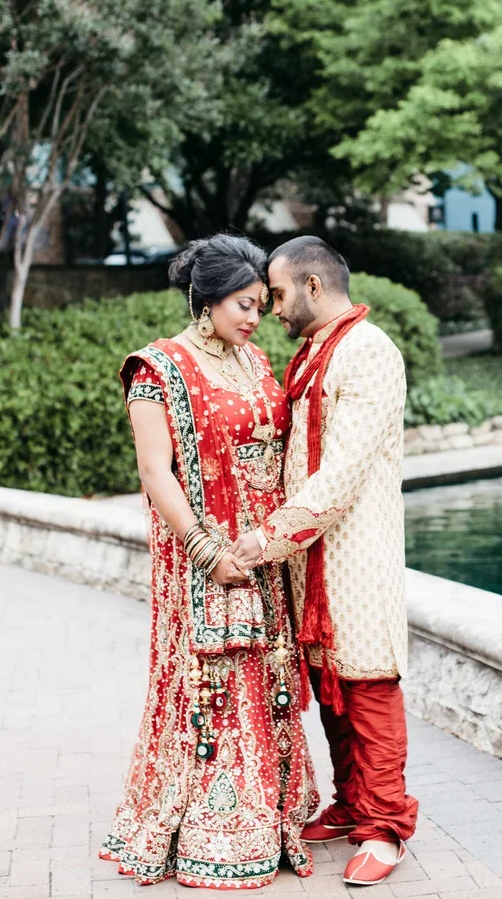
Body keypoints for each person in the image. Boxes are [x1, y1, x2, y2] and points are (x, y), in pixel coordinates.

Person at [99, 234, 318, 889]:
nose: (255, 318)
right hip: (201, 560)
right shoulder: (155, 368)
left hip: (263, 555)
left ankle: (268, 816)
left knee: (265, 678)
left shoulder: (254, 362)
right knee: (214, 687)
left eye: (260, 305)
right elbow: (153, 471)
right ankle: (209, 829)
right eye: (244, 305)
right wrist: (207, 550)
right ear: (208, 300)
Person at [233, 236, 418, 888]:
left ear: (313, 286)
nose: (271, 309)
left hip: (355, 549)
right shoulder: (313, 352)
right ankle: (349, 804)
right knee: (330, 687)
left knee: (367, 683)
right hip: (309, 556)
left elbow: (342, 472)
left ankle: (386, 827)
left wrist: (269, 536)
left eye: (278, 295)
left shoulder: (368, 351)